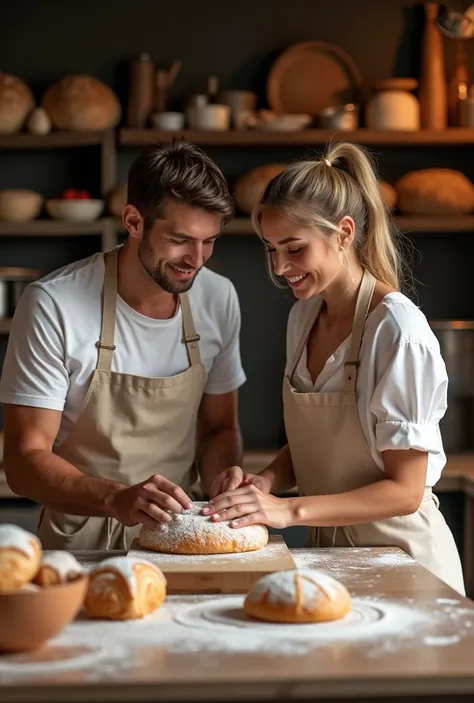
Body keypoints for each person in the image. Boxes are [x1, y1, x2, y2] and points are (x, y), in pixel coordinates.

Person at [205, 141, 465, 595]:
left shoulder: (396, 329)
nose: (281, 267)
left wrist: (286, 511)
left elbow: (405, 491)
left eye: (294, 249)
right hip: (330, 561)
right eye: (271, 250)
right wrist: (264, 481)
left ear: (344, 234)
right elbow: (318, 448)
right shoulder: (303, 317)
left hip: (404, 563)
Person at [0, 140, 247, 551]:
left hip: (180, 537)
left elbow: (219, 428)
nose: (197, 259)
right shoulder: (53, 304)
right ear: (133, 221)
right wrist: (116, 498)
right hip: (81, 542)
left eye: (210, 241)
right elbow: (24, 461)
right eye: (181, 239)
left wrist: (224, 481)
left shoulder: (218, 298)